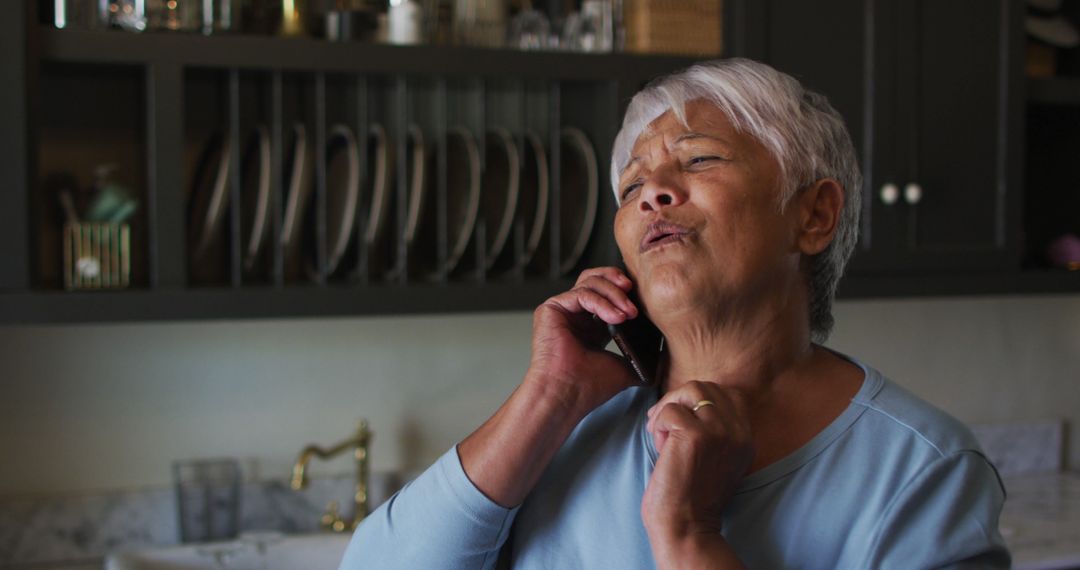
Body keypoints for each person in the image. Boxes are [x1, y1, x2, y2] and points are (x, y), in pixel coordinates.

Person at [338, 58, 1010, 569]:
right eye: (632, 186)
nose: (652, 192)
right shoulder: (566, 426)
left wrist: (691, 536)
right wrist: (549, 394)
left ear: (814, 215)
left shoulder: (927, 470)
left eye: (699, 160)